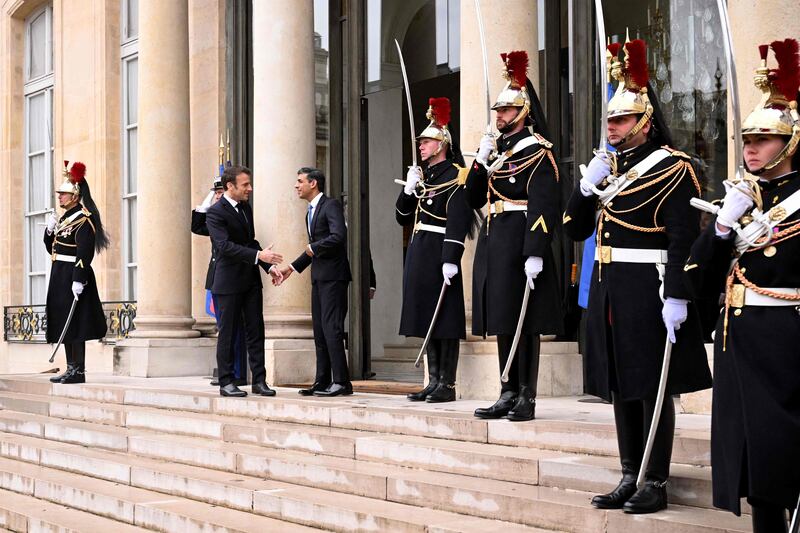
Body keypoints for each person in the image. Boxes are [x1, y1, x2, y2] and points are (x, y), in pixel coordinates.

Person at [562, 39, 711, 514]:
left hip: (648, 289)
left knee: (650, 385)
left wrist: (677, 295)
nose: (612, 127)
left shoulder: (673, 169)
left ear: (645, 123)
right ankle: (630, 472)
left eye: (621, 120)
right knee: (618, 383)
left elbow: (682, 239)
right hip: (609, 287)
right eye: (609, 120)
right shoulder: (608, 171)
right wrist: (586, 189)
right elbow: (575, 228)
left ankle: (656, 478)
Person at [684, 38, 800, 533]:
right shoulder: (739, 196)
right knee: (752, 463)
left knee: (781, 453)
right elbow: (698, 275)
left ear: (790, 142)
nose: (750, 147)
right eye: (747, 139)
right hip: (738, 338)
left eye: (764, 139)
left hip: (786, 338)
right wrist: (722, 228)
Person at [465, 51, 563, 421]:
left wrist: (535, 250)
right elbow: (474, 199)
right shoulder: (497, 154)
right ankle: (506, 389)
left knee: (527, 322)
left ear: (523, 113)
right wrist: (479, 160)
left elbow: (544, 204)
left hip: (521, 241)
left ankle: (526, 395)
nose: (499, 117)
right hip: (495, 241)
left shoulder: (537, 152)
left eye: (506, 111)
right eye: (498, 112)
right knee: (504, 319)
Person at [395, 97, 474, 403]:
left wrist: (451, 257)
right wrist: (408, 190)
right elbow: (402, 217)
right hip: (420, 249)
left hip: (441, 249)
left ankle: (448, 384)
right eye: (421, 141)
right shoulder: (424, 177)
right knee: (427, 315)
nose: (421, 146)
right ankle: (433, 379)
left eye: (427, 141)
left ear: (442, 143)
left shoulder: (456, 175)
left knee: (445, 317)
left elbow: (458, 218)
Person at [206, 165, 284, 397]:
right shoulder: (215, 213)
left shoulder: (245, 208)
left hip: (250, 281)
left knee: (255, 331)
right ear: (230, 186)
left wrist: (268, 266)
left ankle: (259, 381)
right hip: (227, 282)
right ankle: (226, 382)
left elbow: (250, 242)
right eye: (245, 185)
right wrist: (259, 256)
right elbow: (224, 246)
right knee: (227, 334)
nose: (250, 188)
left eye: (249, 184)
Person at [278, 168, 353, 397]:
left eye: (300, 181)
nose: (296, 185)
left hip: (334, 278)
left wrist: (314, 247)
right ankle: (322, 381)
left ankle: (341, 382)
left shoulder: (331, 205)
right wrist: (291, 268)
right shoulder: (309, 211)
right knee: (320, 332)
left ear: (313, 183)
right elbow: (313, 250)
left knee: (332, 329)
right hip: (319, 278)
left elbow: (338, 236)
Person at [44, 161, 109, 384]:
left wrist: (78, 279)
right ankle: (70, 367)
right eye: (60, 194)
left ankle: (78, 370)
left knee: (75, 323)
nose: (60, 197)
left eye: (63, 194)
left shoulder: (84, 219)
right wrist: (49, 230)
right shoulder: (65, 219)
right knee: (64, 321)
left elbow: (84, 252)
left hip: (73, 274)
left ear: (74, 196)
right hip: (59, 274)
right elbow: (52, 248)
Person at [191, 176, 247, 386]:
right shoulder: (215, 215)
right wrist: (205, 203)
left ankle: (237, 371)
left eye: (220, 192)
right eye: (216, 193)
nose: (218, 197)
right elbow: (197, 227)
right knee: (224, 327)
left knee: (234, 328)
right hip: (218, 278)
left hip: (234, 277)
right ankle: (228, 370)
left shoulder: (234, 215)